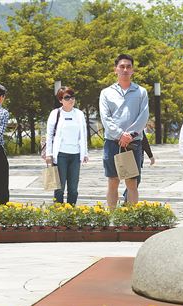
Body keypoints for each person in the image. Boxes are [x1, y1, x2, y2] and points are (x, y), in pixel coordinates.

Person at [99, 53, 149, 209]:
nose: (125, 69)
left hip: (133, 143)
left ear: (133, 70)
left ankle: (132, 218)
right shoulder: (106, 93)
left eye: (128, 67)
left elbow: (144, 116)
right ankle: (112, 217)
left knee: (132, 182)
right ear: (115, 70)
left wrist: (130, 135)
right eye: (122, 66)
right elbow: (105, 118)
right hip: (112, 142)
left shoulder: (141, 92)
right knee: (113, 181)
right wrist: (120, 135)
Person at [44, 86, 89, 205]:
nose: (71, 100)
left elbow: (83, 134)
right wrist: (49, 154)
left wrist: (85, 153)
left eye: (72, 97)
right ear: (60, 100)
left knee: (73, 188)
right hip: (60, 155)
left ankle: (71, 213)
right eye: (67, 97)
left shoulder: (79, 114)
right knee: (59, 187)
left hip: (75, 155)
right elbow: (49, 135)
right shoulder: (55, 113)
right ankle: (58, 214)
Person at [122, 132, 155, 204]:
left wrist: (150, 156)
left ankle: (127, 198)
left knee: (136, 180)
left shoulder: (139, 128)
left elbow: (144, 141)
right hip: (130, 154)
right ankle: (127, 199)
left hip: (138, 156)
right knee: (134, 180)